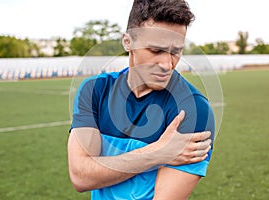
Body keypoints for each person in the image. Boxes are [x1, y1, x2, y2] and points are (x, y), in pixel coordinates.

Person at [67, 0, 215, 199]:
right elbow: (81, 177)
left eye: (176, 52)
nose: (167, 64)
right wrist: (157, 153)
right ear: (128, 42)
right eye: (156, 50)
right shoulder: (94, 90)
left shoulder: (194, 109)